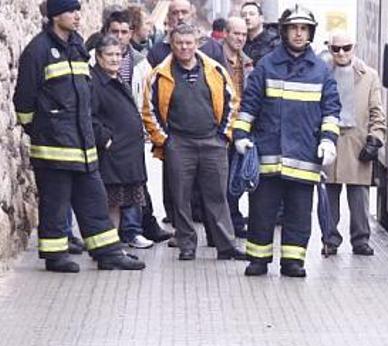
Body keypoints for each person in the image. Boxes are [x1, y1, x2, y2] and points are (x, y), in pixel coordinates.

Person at [14, 0, 145, 273]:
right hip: (54, 150)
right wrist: (43, 131)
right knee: (55, 203)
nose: (77, 15)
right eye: (71, 11)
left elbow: (84, 98)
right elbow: (24, 103)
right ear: (54, 15)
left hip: (84, 147)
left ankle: (108, 253)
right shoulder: (37, 51)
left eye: (77, 10)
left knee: (94, 200)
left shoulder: (77, 48)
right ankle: (55, 256)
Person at [233, 4, 341, 278]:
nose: (298, 34)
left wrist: (328, 141)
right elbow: (249, 104)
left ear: (310, 33)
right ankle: (258, 259)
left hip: (304, 157)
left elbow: (331, 111)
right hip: (269, 155)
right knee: (261, 211)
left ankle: (293, 261)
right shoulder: (267, 65)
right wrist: (241, 135)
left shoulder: (320, 70)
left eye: (304, 29)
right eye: (293, 28)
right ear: (284, 32)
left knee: (298, 214)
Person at [142, 23, 246, 262]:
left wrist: (223, 135)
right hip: (179, 144)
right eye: (179, 43)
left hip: (213, 141)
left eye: (189, 43)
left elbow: (233, 102)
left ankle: (226, 246)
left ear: (197, 43)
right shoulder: (159, 74)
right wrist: (164, 141)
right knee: (181, 198)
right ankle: (187, 244)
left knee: (217, 196)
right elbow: (149, 110)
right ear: (172, 44)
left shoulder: (215, 70)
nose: (184, 47)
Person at [322, 30, 386, 257]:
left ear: (354, 47)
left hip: (357, 142)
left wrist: (375, 139)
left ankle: (360, 240)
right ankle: (329, 239)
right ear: (330, 49)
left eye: (346, 48)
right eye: (336, 48)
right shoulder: (322, 72)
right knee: (328, 195)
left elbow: (377, 112)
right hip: (329, 140)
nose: (341, 53)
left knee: (359, 197)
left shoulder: (369, 75)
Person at [90, 36, 152, 249]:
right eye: (110, 54)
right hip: (112, 156)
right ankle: (109, 249)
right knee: (111, 205)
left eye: (118, 55)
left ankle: (116, 245)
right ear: (98, 56)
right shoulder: (95, 82)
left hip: (126, 155)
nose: (115, 59)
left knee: (121, 202)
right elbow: (89, 116)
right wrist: (105, 139)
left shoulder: (117, 79)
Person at [222, 16, 253, 238]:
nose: (240, 38)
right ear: (225, 33)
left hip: (241, 127)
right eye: (236, 33)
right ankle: (225, 222)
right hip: (220, 128)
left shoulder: (248, 62)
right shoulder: (214, 60)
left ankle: (234, 219)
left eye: (243, 34)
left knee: (237, 176)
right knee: (219, 180)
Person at [147, 0, 225, 68]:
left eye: (184, 12)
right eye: (175, 13)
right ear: (168, 17)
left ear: (192, 14)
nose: (180, 17)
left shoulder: (212, 47)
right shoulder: (157, 51)